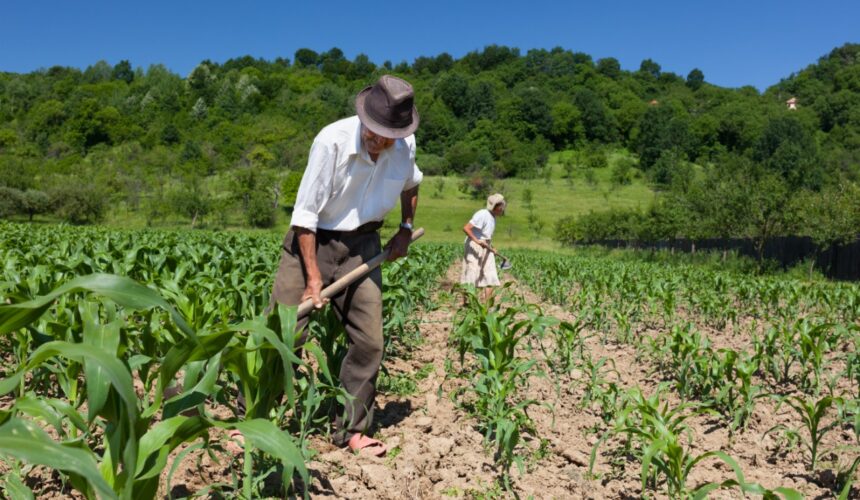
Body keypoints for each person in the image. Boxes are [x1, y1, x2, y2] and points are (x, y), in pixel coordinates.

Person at [269, 75, 422, 457]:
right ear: (364, 117)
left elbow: (411, 184)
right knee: (284, 333)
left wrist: (405, 228)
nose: (379, 140)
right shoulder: (331, 142)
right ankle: (252, 416)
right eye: (374, 130)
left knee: (370, 342)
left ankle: (352, 430)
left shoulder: (405, 148)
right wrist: (313, 277)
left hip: (364, 246)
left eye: (388, 134)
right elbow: (304, 216)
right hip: (312, 241)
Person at [461, 193, 506, 302]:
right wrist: (477, 241)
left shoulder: (493, 217)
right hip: (474, 246)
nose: (504, 208)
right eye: (502, 206)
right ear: (497, 207)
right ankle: (467, 304)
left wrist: (492, 247)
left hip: (486, 246)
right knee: (471, 275)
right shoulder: (482, 214)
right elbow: (466, 228)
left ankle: (486, 308)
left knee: (491, 276)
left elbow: (486, 236)